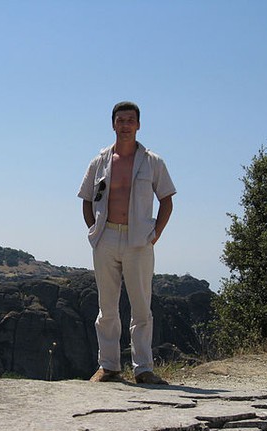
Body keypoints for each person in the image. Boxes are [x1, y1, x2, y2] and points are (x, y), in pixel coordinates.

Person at [77, 101, 176, 384]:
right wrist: (95, 232)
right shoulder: (99, 162)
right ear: (113, 124)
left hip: (139, 240)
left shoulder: (153, 162)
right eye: (120, 120)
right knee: (107, 306)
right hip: (106, 237)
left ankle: (143, 369)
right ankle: (108, 366)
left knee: (141, 307)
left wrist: (155, 233)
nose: (125, 125)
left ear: (138, 125)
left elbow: (167, 200)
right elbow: (86, 200)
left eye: (130, 120)